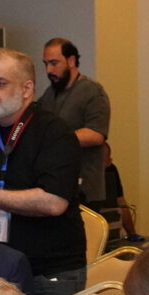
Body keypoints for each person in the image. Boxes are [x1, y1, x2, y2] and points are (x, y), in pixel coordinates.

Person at [0, 48, 87, 295]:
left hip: (49, 271)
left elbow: (54, 202)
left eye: (0, 83)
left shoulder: (55, 132)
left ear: (27, 88)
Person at [39, 38, 113, 208]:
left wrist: (56, 139)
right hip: (54, 184)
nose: (49, 70)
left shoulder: (92, 91)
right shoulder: (49, 94)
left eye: (54, 63)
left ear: (71, 61)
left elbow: (96, 135)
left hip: (84, 189)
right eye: (46, 64)